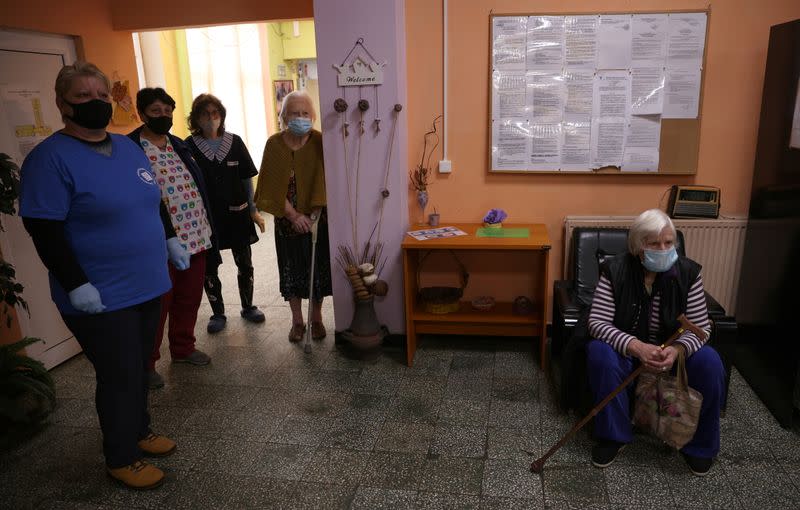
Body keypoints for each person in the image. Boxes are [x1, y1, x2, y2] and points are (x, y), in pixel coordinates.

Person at [19, 62, 181, 489]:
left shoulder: (127, 147)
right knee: (120, 373)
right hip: (101, 294)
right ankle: (121, 456)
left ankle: (140, 431)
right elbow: (44, 230)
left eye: (102, 95)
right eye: (83, 96)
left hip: (148, 283)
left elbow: (153, 199)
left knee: (140, 366)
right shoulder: (49, 160)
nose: (96, 103)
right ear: (62, 103)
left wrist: (169, 239)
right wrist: (76, 283)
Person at [585, 208, 725, 476]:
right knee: (599, 353)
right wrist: (636, 346)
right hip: (627, 350)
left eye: (669, 242)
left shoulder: (689, 273)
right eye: (654, 243)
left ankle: (700, 446)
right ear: (639, 246)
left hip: (672, 354)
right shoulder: (614, 271)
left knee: (710, 362)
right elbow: (597, 323)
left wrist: (676, 349)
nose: (663, 249)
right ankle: (614, 436)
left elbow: (701, 329)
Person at [129, 87, 218, 389]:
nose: (163, 117)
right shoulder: (130, 148)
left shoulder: (179, 145)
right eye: (156, 111)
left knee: (189, 298)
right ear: (141, 114)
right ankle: (148, 362)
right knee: (158, 305)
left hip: (195, 234)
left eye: (168, 111)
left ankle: (183, 348)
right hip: (158, 242)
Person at [185, 94, 266, 333]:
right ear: (196, 119)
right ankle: (217, 312)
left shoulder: (235, 142)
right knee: (210, 267)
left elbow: (246, 178)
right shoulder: (188, 147)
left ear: (221, 116)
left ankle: (248, 306)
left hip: (238, 214)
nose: (211, 119)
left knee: (245, 262)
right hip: (206, 218)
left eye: (215, 114)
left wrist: (253, 210)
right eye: (205, 114)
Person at [255, 90, 331, 342]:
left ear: (314, 116)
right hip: (286, 219)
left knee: (316, 269)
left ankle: (317, 319)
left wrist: (311, 216)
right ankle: (297, 321)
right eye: (295, 113)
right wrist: (294, 216)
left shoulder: (321, 141)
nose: (300, 117)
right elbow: (269, 185)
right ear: (284, 116)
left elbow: (325, 180)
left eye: (305, 113)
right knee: (291, 270)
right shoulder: (274, 144)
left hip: (317, 218)